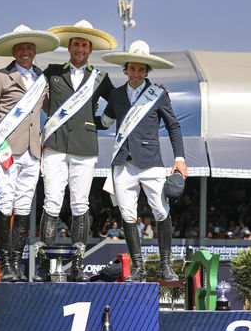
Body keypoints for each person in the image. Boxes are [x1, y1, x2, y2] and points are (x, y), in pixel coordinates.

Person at [33, 20, 116, 282]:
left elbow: (118, 102)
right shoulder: (52, 72)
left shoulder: (101, 77)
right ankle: (44, 266)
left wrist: (99, 123)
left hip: (85, 147)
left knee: (80, 204)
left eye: (84, 45)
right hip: (55, 145)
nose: (80, 48)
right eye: (76, 44)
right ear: (69, 47)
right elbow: (34, 95)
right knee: (52, 202)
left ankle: (79, 265)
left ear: (90, 50)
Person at [0, 25, 60, 282]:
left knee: (23, 206)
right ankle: (6, 265)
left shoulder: (42, 79)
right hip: (5, 151)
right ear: (14, 51)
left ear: (34, 51)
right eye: (21, 48)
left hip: (33, 152)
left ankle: (17, 263)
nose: (25, 52)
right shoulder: (0, 77)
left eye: (29, 48)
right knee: (5, 203)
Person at [98, 40, 187, 282]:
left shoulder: (158, 94)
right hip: (123, 165)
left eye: (141, 69)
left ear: (147, 71)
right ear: (125, 69)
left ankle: (165, 265)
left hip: (152, 162)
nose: (136, 73)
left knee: (161, 210)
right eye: (132, 69)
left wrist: (179, 158)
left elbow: (173, 126)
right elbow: (104, 123)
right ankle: (138, 267)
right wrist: (85, 113)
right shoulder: (115, 95)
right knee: (127, 215)